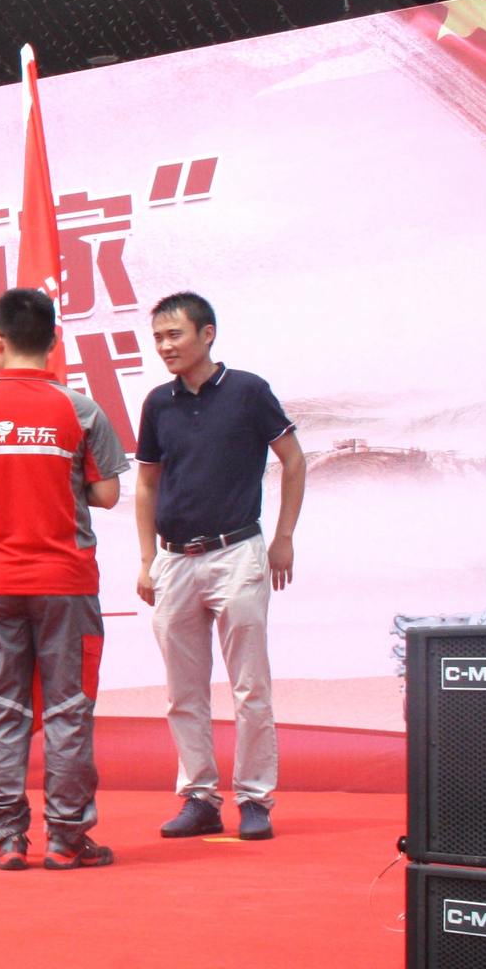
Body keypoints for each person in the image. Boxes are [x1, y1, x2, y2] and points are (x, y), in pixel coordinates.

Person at [0, 288, 128, 871]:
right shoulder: (81, 409)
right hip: (66, 580)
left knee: (1, 705)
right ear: (54, 341)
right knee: (68, 707)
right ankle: (65, 837)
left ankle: (7, 837)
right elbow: (108, 493)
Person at [135, 291, 306, 842]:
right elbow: (146, 483)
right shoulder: (158, 403)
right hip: (174, 560)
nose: (165, 346)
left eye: (175, 334)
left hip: (237, 553)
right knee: (182, 692)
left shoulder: (248, 391)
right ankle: (199, 798)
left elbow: (293, 460)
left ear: (207, 334)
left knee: (250, 687)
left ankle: (254, 798)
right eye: (158, 338)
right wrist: (147, 560)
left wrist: (283, 538)